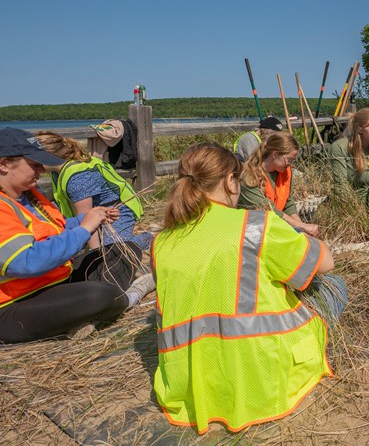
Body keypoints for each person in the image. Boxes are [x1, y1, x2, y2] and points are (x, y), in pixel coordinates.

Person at [152, 143, 347, 434]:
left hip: (188, 389)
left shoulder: (162, 242)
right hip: (264, 378)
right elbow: (326, 263)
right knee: (333, 284)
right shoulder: (255, 226)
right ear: (230, 181)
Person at [0, 128, 149, 343]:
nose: (41, 170)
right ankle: (125, 299)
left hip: (54, 280)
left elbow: (55, 227)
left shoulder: (26, 195)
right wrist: (84, 230)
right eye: (33, 165)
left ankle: (86, 315)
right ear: (4, 164)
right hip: (14, 304)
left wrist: (89, 218)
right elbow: (27, 262)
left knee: (126, 251)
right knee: (98, 295)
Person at [35, 131, 153, 250]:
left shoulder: (78, 178)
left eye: (34, 160)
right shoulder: (57, 169)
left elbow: (87, 218)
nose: (32, 165)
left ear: (48, 156)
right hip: (96, 210)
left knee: (113, 250)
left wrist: (97, 255)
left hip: (117, 209)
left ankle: (148, 240)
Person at [238, 132, 319, 236]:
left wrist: (302, 229)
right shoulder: (248, 177)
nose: (290, 164)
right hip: (252, 232)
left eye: (292, 160)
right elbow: (268, 211)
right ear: (275, 154)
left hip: (276, 225)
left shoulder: (286, 171)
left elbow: (288, 204)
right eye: (289, 160)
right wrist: (302, 226)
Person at [330, 107, 369, 209]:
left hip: (368, 208)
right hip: (343, 207)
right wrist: (355, 215)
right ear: (360, 128)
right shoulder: (340, 147)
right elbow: (341, 185)